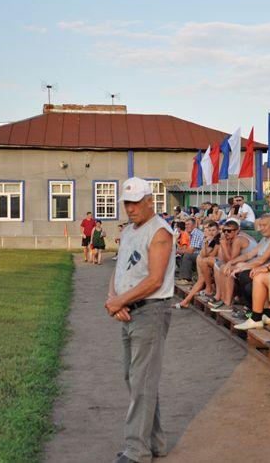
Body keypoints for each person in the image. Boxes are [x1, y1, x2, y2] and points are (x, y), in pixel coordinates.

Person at [104, 177, 175, 463]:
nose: (130, 208)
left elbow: (155, 280)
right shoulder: (131, 230)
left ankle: (137, 451)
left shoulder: (160, 232)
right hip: (130, 309)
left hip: (151, 310)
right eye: (127, 203)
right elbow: (119, 269)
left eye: (135, 203)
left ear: (150, 201)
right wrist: (114, 298)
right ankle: (155, 443)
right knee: (136, 379)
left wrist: (120, 301)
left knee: (141, 379)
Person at [226, 215, 270, 317]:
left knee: (243, 274)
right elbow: (249, 255)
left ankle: (253, 309)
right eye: (260, 225)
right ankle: (247, 306)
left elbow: (261, 261)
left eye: (264, 225)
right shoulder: (265, 238)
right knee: (236, 270)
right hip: (260, 268)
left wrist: (241, 268)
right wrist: (231, 262)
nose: (261, 228)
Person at [208, 219, 258, 313]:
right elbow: (223, 258)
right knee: (220, 265)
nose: (226, 233)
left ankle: (227, 303)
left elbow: (230, 260)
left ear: (237, 231)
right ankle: (223, 299)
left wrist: (223, 244)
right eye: (224, 231)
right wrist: (225, 244)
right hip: (244, 263)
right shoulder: (232, 238)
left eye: (229, 231)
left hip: (254, 264)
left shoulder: (238, 239)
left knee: (227, 268)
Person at [176, 221, 221, 308]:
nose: (211, 232)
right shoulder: (211, 240)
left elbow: (211, 255)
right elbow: (204, 254)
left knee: (200, 259)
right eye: (209, 230)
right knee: (200, 259)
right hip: (211, 265)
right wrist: (206, 242)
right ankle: (186, 301)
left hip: (219, 265)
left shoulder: (218, 239)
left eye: (213, 230)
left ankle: (207, 289)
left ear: (218, 230)